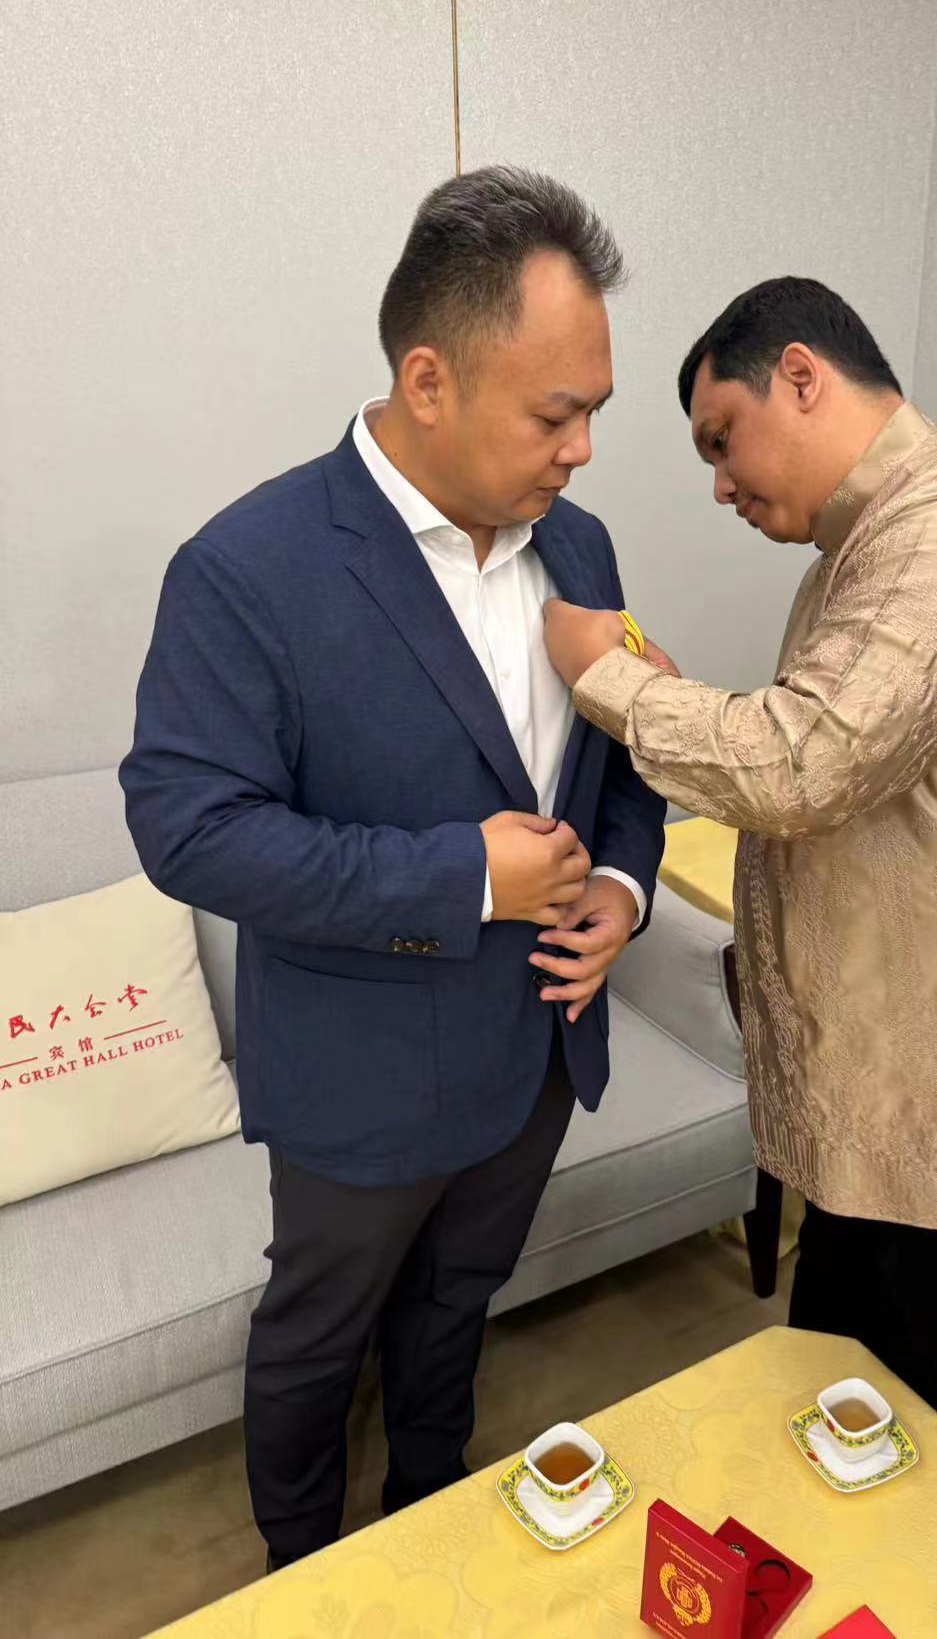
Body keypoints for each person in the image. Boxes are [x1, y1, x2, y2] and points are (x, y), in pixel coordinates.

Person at [543, 276, 937, 1488]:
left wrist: (606, 680)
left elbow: (804, 763)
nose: (719, 485)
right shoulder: (861, 548)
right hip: (895, 1110)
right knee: (841, 1440)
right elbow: (844, 752)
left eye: (720, 441)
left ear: (799, 375)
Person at [120, 167, 665, 1566]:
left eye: (594, 411)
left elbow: (625, 768)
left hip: (537, 1047)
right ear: (429, 379)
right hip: (359, 1073)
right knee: (319, 1338)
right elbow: (187, 825)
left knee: (457, 1304)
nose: (583, 451)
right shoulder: (248, 567)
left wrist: (620, 891)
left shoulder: (581, 548)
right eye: (554, 414)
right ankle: (301, 1568)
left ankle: (433, 1507)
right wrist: (462, 878)